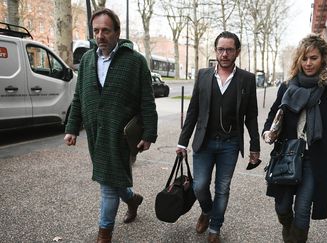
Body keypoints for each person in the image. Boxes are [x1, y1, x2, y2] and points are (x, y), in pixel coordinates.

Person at [63, 8, 157, 243]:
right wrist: (72, 128)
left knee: (107, 184)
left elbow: (147, 100)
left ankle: (104, 234)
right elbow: (78, 97)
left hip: (121, 135)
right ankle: (132, 199)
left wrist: (149, 134)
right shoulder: (86, 60)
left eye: (106, 30)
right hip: (96, 133)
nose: (100, 35)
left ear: (117, 32)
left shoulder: (135, 62)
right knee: (112, 179)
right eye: (96, 30)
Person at [176, 31, 261, 243]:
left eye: (229, 50)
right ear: (216, 50)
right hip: (204, 142)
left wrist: (255, 146)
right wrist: (182, 142)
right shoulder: (204, 75)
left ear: (237, 52)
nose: (224, 54)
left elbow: (251, 116)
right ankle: (207, 210)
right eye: (221, 49)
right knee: (199, 186)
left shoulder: (247, 80)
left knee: (222, 188)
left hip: (230, 144)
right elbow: (193, 110)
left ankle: (215, 227)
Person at [262, 34, 327, 242]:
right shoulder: (287, 87)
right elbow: (273, 114)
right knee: (282, 205)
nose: (308, 63)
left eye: (313, 58)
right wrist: (267, 131)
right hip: (286, 154)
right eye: (304, 58)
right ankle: (287, 225)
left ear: (323, 59)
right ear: (299, 60)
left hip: (314, 159)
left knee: (303, 209)